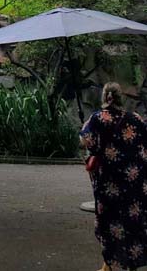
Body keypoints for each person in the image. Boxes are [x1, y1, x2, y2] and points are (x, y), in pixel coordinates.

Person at [80, 82, 147, 271]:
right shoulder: (135, 118)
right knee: (133, 222)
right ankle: (132, 264)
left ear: (105, 97)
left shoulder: (97, 118)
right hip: (133, 184)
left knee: (109, 223)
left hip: (108, 184)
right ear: (120, 98)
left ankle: (109, 265)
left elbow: (85, 141)